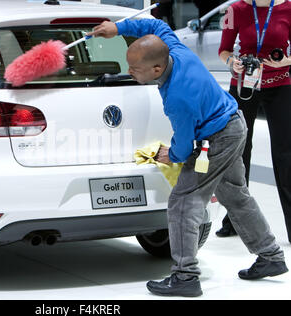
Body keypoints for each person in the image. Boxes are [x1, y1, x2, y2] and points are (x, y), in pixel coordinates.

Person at [87, 16, 288, 297]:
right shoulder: (174, 49)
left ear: (156, 68)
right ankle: (271, 256)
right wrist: (118, 29)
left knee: (183, 202)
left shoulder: (177, 96)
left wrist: (173, 155)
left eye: (135, 69)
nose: (130, 72)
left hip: (219, 138)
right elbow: (156, 26)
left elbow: (183, 143)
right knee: (235, 196)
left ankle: (186, 276)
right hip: (232, 125)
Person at [217, 0, 291, 240]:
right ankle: (233, 221)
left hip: (280, 84)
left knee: (285, 154)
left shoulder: (288, 8)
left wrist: (286, 61)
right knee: (238, 151)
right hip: (243, 84)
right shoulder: (235, 10)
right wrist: (232, 63)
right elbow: (224, 50)